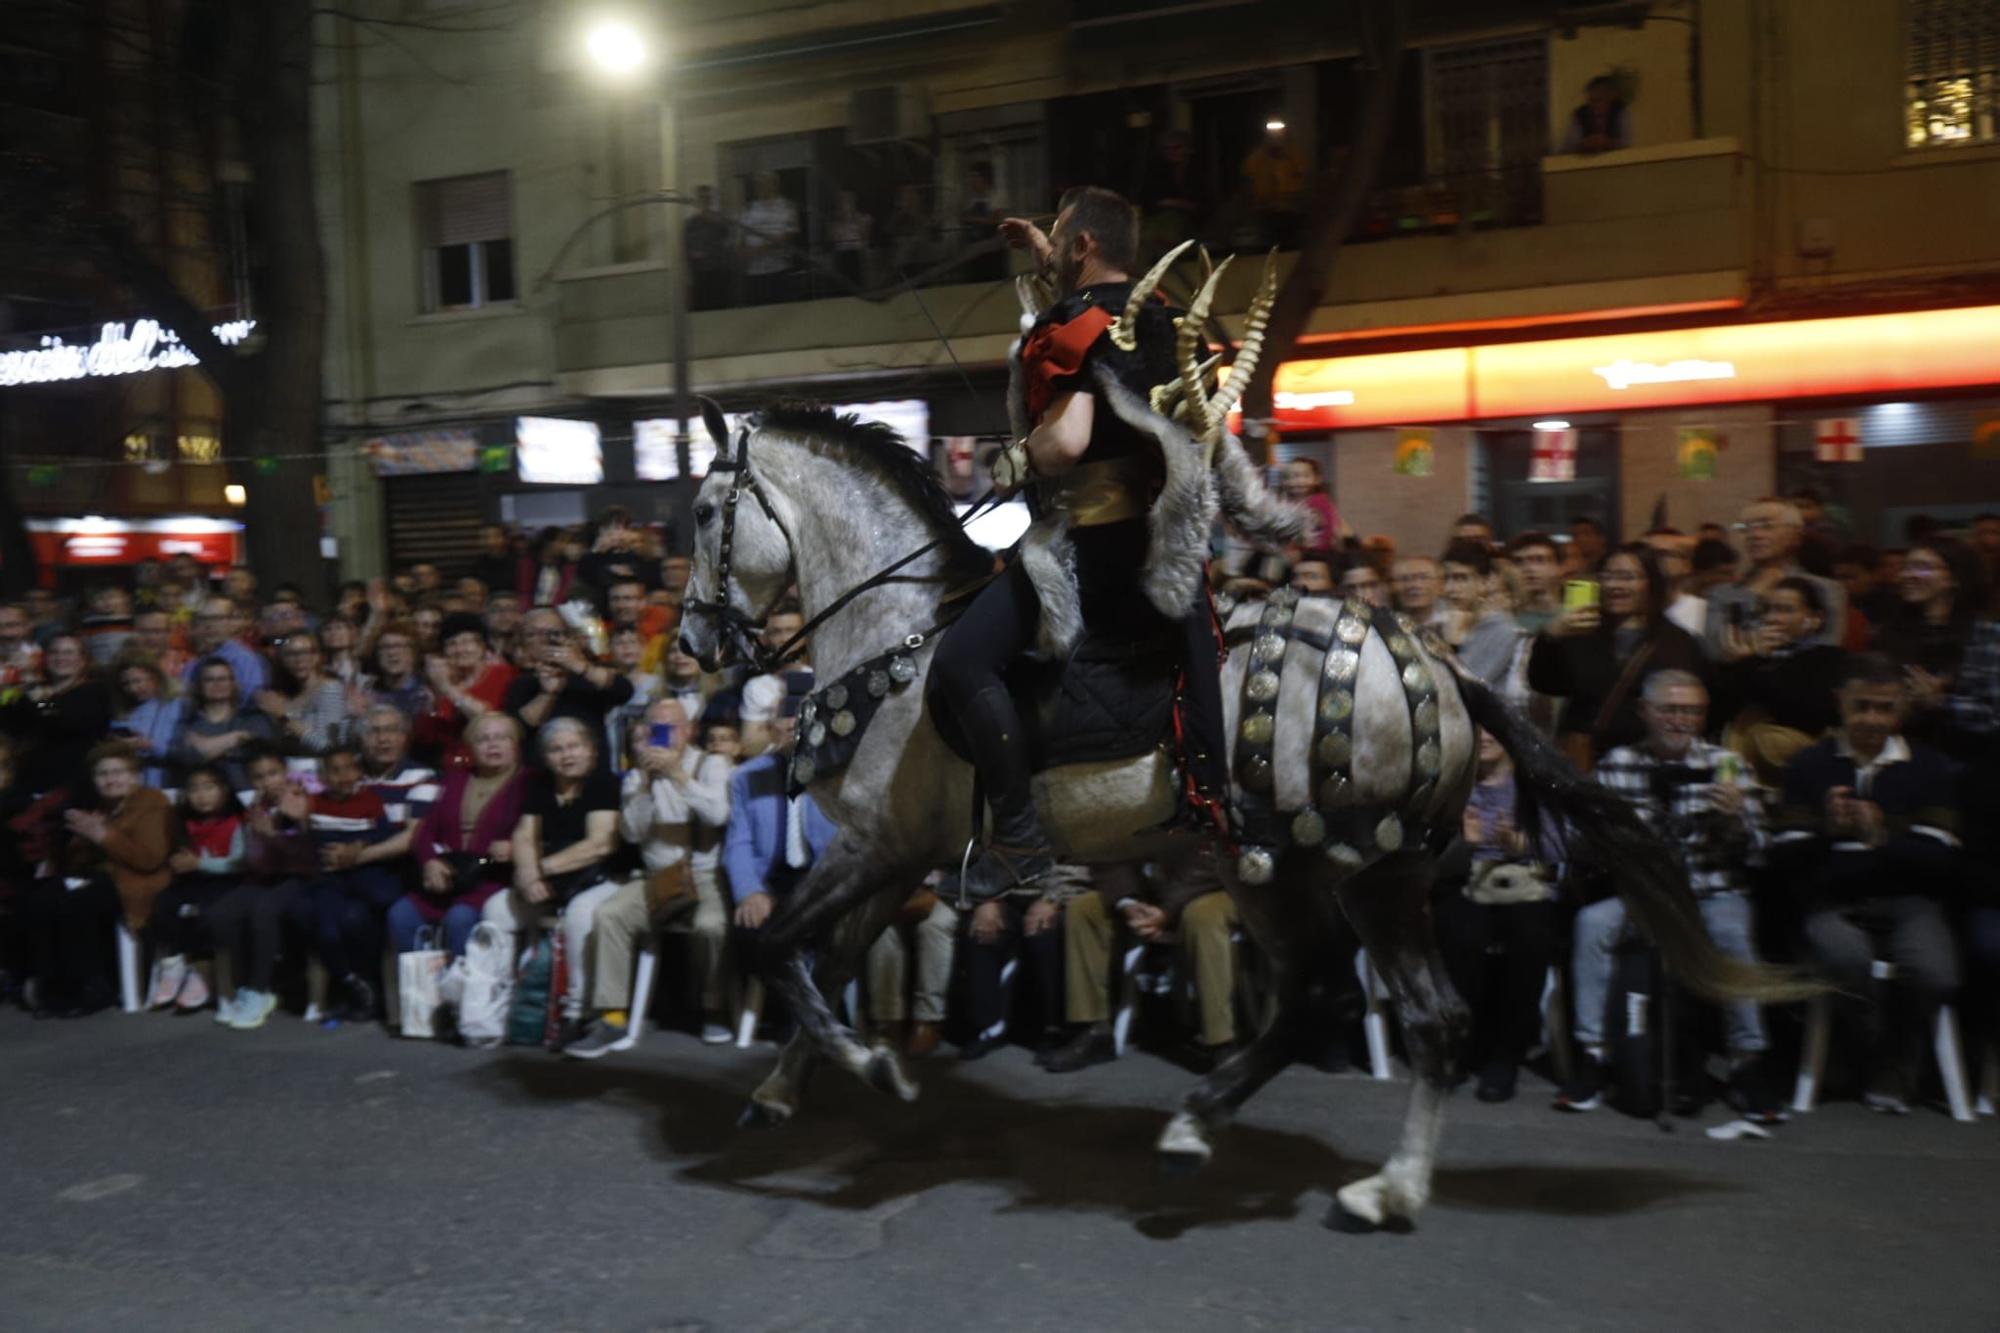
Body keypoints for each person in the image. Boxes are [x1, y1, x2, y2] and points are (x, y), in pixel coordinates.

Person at [932, 185, 1219, 897]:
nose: (1052, 249)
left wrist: (1021, 455)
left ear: (1085, 247)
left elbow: (1069, 440)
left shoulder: (1080, 323)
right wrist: (1046, 252)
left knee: (960, 663)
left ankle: (1022, 841)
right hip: (1169, 559)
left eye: (1062, 239)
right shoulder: (1168, 321)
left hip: (1092, 557)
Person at [1557, 672, 1781, 1120]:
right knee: (1592, 925)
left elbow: (1760, 854)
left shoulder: (1727, 765)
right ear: (1645, 712)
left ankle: (1746, 1063)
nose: (1681, 721)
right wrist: (1612, 834)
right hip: (1644, 895)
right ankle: (1595, 1055)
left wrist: (1737, 819)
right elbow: (1577, 840)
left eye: (1692, 711)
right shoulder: (1619, 764)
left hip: (1710, 891)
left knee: (1732, 933)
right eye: (1670, 710)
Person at [1773, 656, 1963, 1112]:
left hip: (1907, 898)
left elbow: (1942, 859)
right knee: (1843, 958)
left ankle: (1891, 1056)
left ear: (1902, 710)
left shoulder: (1930, 768)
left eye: (1885, 708)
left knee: (1936, 972)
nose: (1873, 719)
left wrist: (1882, 839)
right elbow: (1782, 856)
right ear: (1840, 704)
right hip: (1831, 898)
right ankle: (1871, 1056)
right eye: (1862, 706)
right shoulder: (1809, 765)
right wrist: (1827, 833)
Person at [566, 700, 734, 1058]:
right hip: (656, 877)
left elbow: (718, 814)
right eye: (655, 726)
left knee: (712, 927)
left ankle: (714, 1007)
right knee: (610, 915)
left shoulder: (712, 764)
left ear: (689, 730)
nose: (663, 733)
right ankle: (611, 1017)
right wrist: (644, 785)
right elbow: (631, 833)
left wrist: (677, 775)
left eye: (671, 726)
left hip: (704, 875)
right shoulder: (636, 774)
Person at [1432, 728, 1560, 1103]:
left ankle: (1504, 1057)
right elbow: (1428, 860)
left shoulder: (1535, 787)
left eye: (1494, 728)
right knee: (1459, 932)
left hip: (1525, 885)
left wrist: (1523, 845)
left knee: (1531, 936)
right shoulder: (1452, 786)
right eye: (1478, 729)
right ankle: (1460, 1047)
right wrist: (1465, 843)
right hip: (1464, 882)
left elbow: (1563, 845)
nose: (1486, 736)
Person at [486, 718, 624, 1044]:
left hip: (604, 878)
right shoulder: (541, 786)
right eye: (556, 749)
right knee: (497, 909)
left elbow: (601, 844)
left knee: (580, 913)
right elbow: (523, 834)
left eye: (574, 746)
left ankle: (575, 1011)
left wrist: (541, 869)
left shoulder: (604, 783)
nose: (567, 755)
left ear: (591, 750)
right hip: (553, 880)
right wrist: (526, 874)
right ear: (546, 757)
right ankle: (500, 1003)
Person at [1044, 850, 1240, 1072]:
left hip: (1208, 888)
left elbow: (1216, 860)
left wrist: (1168, 910)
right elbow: (1108, 850)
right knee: (1084, 910)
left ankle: (1221, 1042)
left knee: (1202, 916)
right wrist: (1128, 903)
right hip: (1153, 892)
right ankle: (1093, 1030)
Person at [19, 743, 173, 1017]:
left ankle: (92, 985)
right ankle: (53, 985)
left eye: (119, 772)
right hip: (97, 876)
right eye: (103, 774)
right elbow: (79, 860)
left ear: (135, 776)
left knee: (80, 901)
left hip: (136, 881)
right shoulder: (99, 806)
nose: (111, 780)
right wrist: (86, 837)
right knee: (40, 900)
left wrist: (103, 836)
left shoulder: (152, 802)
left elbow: (148, 859)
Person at [1528, 542, 1705, 768]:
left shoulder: (1677, 642)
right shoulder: (1582, 631)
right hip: (1585, 763)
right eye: (1607, 576)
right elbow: (1544, 684)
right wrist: (1550, 636)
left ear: (1651, 583)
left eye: (1627, 577)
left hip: (1649, 765)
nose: (1614, 585)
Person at [722, 694, 836, 1010]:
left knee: (828, 932)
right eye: (786, 727)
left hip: (824, 879)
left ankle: (809, 1019)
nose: (794, 733)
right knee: (750, 931)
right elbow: (738, 843)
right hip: (772, 880)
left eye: (801, 726)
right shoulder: (748, 776)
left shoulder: (835, 772)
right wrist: (749, 891)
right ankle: (797, 1012)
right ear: (772, 731)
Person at [391, 712, 526, 960]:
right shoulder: (457, 779)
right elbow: (425, 830)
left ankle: (465, 994)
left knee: (459, 918)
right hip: (450, 876)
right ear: (471, 748)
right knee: (402, 914)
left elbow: (539, 830)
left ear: (515, 745)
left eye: (501, 738)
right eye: (483, 739)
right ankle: (424, 994)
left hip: (492, 878)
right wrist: (430, 862)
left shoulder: (527, 782)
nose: (493, 744)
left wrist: (515, 846)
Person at [207, 747, 317, 1030]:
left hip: (303, 877)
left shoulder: (305, 796)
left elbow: (311, 855)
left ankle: (259, 989)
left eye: (273, 773)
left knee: (263, 910)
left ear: (285, 770)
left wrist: (283, 830)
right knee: (221, 913)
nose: (268, 781)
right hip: (267, 876)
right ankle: (242, 986)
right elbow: (256, 861)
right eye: (258, 777)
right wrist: (262, 837)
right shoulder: (256, 809)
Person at [1715, 576, 1848, 783]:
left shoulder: (1829, 658)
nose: (1772, 618)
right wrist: (1749, 661)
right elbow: (1721, 709)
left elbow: (1803, 714)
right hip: (1739, 767)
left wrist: (1758, 662)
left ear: (1815, 619)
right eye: (1767, 610)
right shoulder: (1753, 658)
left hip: (1797, 767)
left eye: (1785, 610)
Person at [304, 744, 401, 1024]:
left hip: (362, 871)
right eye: (334, 771)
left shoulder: (370, 801)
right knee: (328, 932)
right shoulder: (315, 804)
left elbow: (384, 835)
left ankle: (370, 983)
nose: (343, 776)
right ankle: (351, 982)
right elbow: (308, 840)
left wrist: (360, 845)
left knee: (382, 895)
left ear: (359, 772)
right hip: (330, 879)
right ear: (322, 778)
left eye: (349, 768)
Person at [146, 765, 246, 1013]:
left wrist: (199, 863)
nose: (202, 796)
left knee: (209, 912)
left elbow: (239, 863)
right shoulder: (183, 822)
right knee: (163, 903)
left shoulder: (236, 821)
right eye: (194, 790)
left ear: (224, 790)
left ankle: (204, 970)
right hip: (193, 880)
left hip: (227, 881)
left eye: (209, 788)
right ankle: (174, 964)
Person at [1704, 499, 1846, 658]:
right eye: (1746, 528)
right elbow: (1714, 651)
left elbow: (1826, 650)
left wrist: (1750, 645)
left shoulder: (1824, 589)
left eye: (1767, 526)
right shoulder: (1722, 593)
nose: (1754, 535)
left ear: (1796, 536)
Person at [503, 609, 634, 763]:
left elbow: (624, 691)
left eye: (553, 632)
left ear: (568, 637)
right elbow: (517, 730)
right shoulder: (521, 682)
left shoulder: (589, 675)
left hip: (592, 771)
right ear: (524, 643)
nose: (544, 639)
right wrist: (547, 695)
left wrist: (580, 666)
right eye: (534, 633)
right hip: (540, 772)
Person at [958, 878, 1066, 1061]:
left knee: (1045, 933)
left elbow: (1075, 869)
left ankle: (1052, 1029)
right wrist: (985, 901)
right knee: (981, 928)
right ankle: (989, 1027)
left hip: (1053, 894)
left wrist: (1052, 900)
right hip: (1001, 895)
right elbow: (978, 865)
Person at [11, 633, 111, 796]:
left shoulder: (94, 691)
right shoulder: (36, 693)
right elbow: (14, 725)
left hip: (71, 786)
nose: (60, 657)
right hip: (30, 783)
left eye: (68, 652)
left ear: (83, 659)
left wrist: (31, 684)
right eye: (54, 652)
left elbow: (58, 716)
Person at [418, 612, 516, 770]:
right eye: (452, 644)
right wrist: (432, 704)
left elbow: (488, 722)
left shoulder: (504, 675)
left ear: (482, 646)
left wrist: (448, 689)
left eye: (467, 642)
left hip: (493, 765)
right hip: (448, 767)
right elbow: (427, 738)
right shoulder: (440, 681)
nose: (460, 649)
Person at [171, 657, 277, 792]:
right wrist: (238, 738)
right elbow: (190, 758)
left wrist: (207, 746)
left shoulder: (253, 718)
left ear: (233, 683)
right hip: (205, 800)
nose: (217, 684)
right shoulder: (188, 723)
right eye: (209, 680)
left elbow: (262, 750)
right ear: (199, 686)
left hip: (248, 796)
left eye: (223, 679)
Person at [1438, 540, 1523, 686]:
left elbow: (1470, 687)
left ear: (1484, 582)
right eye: (1445, 579)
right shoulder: (1439, 624)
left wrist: (1453, 645)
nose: (1449, 588)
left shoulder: (1502, 630)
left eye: (1461, 578)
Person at [258, 632, 351, 756]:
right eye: (291, 654)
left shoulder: (329, 689)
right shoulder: (289, 695)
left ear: (317, 656)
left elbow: (327, 746)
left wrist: (283, 718)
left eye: (305, 652)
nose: (299, 660)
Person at [111, 655, 181, 788]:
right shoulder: (122, 713)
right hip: (134, 784)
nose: (132, 689)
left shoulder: (177, 705)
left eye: (137, 681)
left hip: (170, 780)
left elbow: (188, 752)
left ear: (154, 677)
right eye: (126, 684)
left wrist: (149, 746)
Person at [180, 598, 267, 702]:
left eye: (217, 618)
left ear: (232, 622)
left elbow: (251, 702)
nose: (209, 625)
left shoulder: (246, 660)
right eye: (204, 619)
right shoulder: (193, 663)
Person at [1240, 119, 1307, 248]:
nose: (1275, 137)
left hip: (1291, 210)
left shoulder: (1294, 154)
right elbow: (1248, 177)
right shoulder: (1257, 156)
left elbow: (1302, 175)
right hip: (1265, 211)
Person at [740, 171, 801, 306]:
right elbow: (743, 238)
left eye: (766, 183)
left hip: (780, 270)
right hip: (755, 273)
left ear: (775, 185)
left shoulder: (787, 205)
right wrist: (744, 253)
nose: (762, 188)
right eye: (759, 184)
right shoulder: (749, 208)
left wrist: (764, 248)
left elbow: (790, 233)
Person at [683, 185, 737, 310]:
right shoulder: (691, 224)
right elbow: (687, 252)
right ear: (697, 200)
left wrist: (716, 221)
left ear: (712, 199)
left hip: (720, 273)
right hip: (699, 276)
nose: (705, 201)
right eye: (702, 198)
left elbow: (731, 240)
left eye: (708, 198)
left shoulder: (721, 219)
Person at [1506, 531, 1562, 634]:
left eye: (1539, 560)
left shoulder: (1575, 616)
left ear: (1558, 567)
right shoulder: (1505, 620)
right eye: (1518, 561)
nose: (1528, 568)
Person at [1280, 457, 1339, 552]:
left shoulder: (1320, 501)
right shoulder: (1284, 503)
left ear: (1317, 479)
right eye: (1289, 477)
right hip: (1290, 549)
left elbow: (1329, 529)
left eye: (1304, 476)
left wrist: (1320, 548)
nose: (1296, 481)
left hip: (1317, 550)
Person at [1560, 75, 1630, 154]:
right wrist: (1584, 144)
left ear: (1610, 97)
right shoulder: (1579, 114)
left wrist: (1607, 142)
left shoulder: (1620, 112)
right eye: (1591, 100)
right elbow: (1567, 148)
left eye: (1599, 100)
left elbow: (1627, 144)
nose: (1594, 105)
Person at [830, 188, 874, 289]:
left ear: (854, 200)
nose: (844, 202)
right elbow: (834, 239)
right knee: (842, 288)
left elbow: (865, 237)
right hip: (841, 256)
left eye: (847, 199)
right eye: (841, 200)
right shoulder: (834, 221)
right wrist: (841, 219)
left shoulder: (864, 217)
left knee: (859, 285)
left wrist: (853, 218)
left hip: (858, 255)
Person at [1390, 555, 1445, 634]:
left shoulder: (1451, 623)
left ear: (1441, 584)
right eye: (1405, 579)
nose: (1414, 585)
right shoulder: (1386, 626)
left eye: (1423, 577)